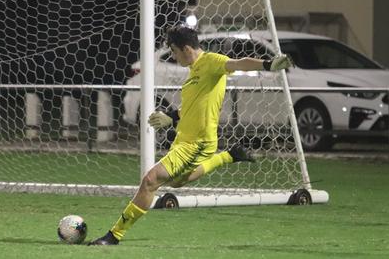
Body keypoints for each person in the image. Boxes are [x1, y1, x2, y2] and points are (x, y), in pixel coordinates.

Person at [88, 25, 293, 246]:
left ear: (186, 49)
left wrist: (268, 64)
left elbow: (238, 62)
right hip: (184, 139)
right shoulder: (194, 70)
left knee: (150, 180)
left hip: (197, 143)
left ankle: (114, 235)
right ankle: (228, 156)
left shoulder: (212, 62)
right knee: (176, 182)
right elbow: (192, 107)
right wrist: (171, 117)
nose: (174, 57)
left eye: (174, 52)